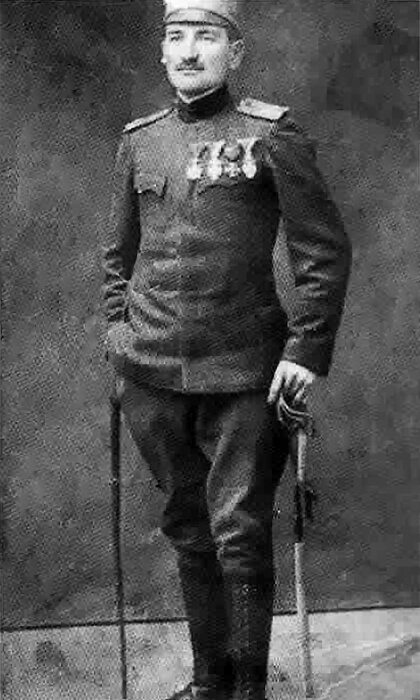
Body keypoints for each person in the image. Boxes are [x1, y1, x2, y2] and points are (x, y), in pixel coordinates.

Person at [102, 1, 352, 698]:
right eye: (176, 37)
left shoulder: (270, 134)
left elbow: (322, 251)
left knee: (238, 534)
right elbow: (117, 255)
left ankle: (247, 691)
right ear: (162, 51)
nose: (189, 51)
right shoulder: (141, 140)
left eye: (206, 36)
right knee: (188, 528)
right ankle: (209, 683)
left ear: (234, 52)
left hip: (244, 372)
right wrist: (118, 333)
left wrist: (305, 350)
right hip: (150, 375)